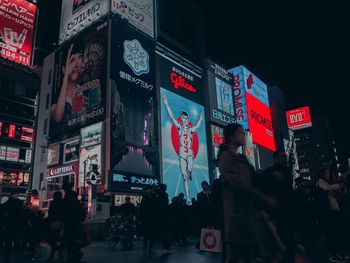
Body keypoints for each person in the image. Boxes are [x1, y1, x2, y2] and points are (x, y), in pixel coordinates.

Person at [218, 123, 276, 263]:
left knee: (247, 255)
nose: (243, 135)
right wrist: (263, 199)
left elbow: (254, 178)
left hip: (247, 215)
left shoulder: (241, 158)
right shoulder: (226, 157)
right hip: (235, 215)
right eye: (240, 132)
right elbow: (239, 185)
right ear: (231, 137)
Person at [162, 94, 204, 205]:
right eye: (183, 118)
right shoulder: (179, 127)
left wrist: (200, 119)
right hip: (182, 154)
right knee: (184, 177)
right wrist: (166, 103)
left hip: (189, 153)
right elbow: (171, 116)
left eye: (186, 118)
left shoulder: (190, 129)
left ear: (188, 119)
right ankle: (188, 198)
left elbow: (198, 125)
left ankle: (190, 171)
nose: (184, 120)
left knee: (190, 168)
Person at [262, 150, 296, 263]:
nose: (285, 158)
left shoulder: (286, 171)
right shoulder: (270, 172)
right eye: (282, 156)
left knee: (288, 240)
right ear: (276, 158)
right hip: (278, 212)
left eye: (285, 156)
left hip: (288, 211)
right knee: (281, 240)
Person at [315, 167, 346, 262]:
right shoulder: (320, 181)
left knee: (336, 234)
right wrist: (341, 185)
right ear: (322, 174)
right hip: (328, 213)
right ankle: (332, 255)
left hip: (333, 212)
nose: (328, 175)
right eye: (327, 173)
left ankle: (337, 254)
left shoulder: (327, 183)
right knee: (332, 234)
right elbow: (328, 188)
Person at [50, 44, 83, 126]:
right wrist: (65, 78)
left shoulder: (82, 90)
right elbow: (57, 117)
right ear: (63, 69)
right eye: (72, 61)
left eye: (79, 58)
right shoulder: (55, 95)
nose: (76, 65)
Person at [63, 190, 86, 262]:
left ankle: (71, 253)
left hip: (68, 224)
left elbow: (63, 213)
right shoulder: (78, 204)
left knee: (69, 239)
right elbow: (83, 213)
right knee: (75, 239)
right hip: (76, 224)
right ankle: (76, 252)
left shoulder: (66, 204)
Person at [1, 191, 24, 263]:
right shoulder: (18, 203)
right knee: (10, 242)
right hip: (13, 225)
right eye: (15, 194)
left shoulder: (8, 203)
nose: (16, 196)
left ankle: (6, 258)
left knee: (8, 242)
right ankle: (8, 257)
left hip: (10, 225)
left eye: (16, 194)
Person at [46, 191, 64, 262]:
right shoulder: (62, 203)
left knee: (51, 239)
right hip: (59, 222)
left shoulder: (53, 203)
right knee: (55, 239)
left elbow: (50, 212)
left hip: (53, 222)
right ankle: (58, 250)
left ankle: (54, 252)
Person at [139, 186, 157, 254]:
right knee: (145, 233)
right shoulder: (144, 198)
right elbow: (141, 208)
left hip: (152, 217)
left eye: (150, 190)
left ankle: (150, 246)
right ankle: (145, 244)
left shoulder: (155, 197)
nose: (149, 191)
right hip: (145, 218)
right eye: (148, 190)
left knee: (151, 233)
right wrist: (140, 218)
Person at [196, 181, 213, 250]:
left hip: (211, 214)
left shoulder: (211, 193)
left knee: (212, 228)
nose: (204, 187)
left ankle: (212, 243)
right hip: (203, 215)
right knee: (204, 229)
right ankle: (203, 245)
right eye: (203, 185)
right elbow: (200, 205)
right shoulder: (199, 195)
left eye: (205, 185)